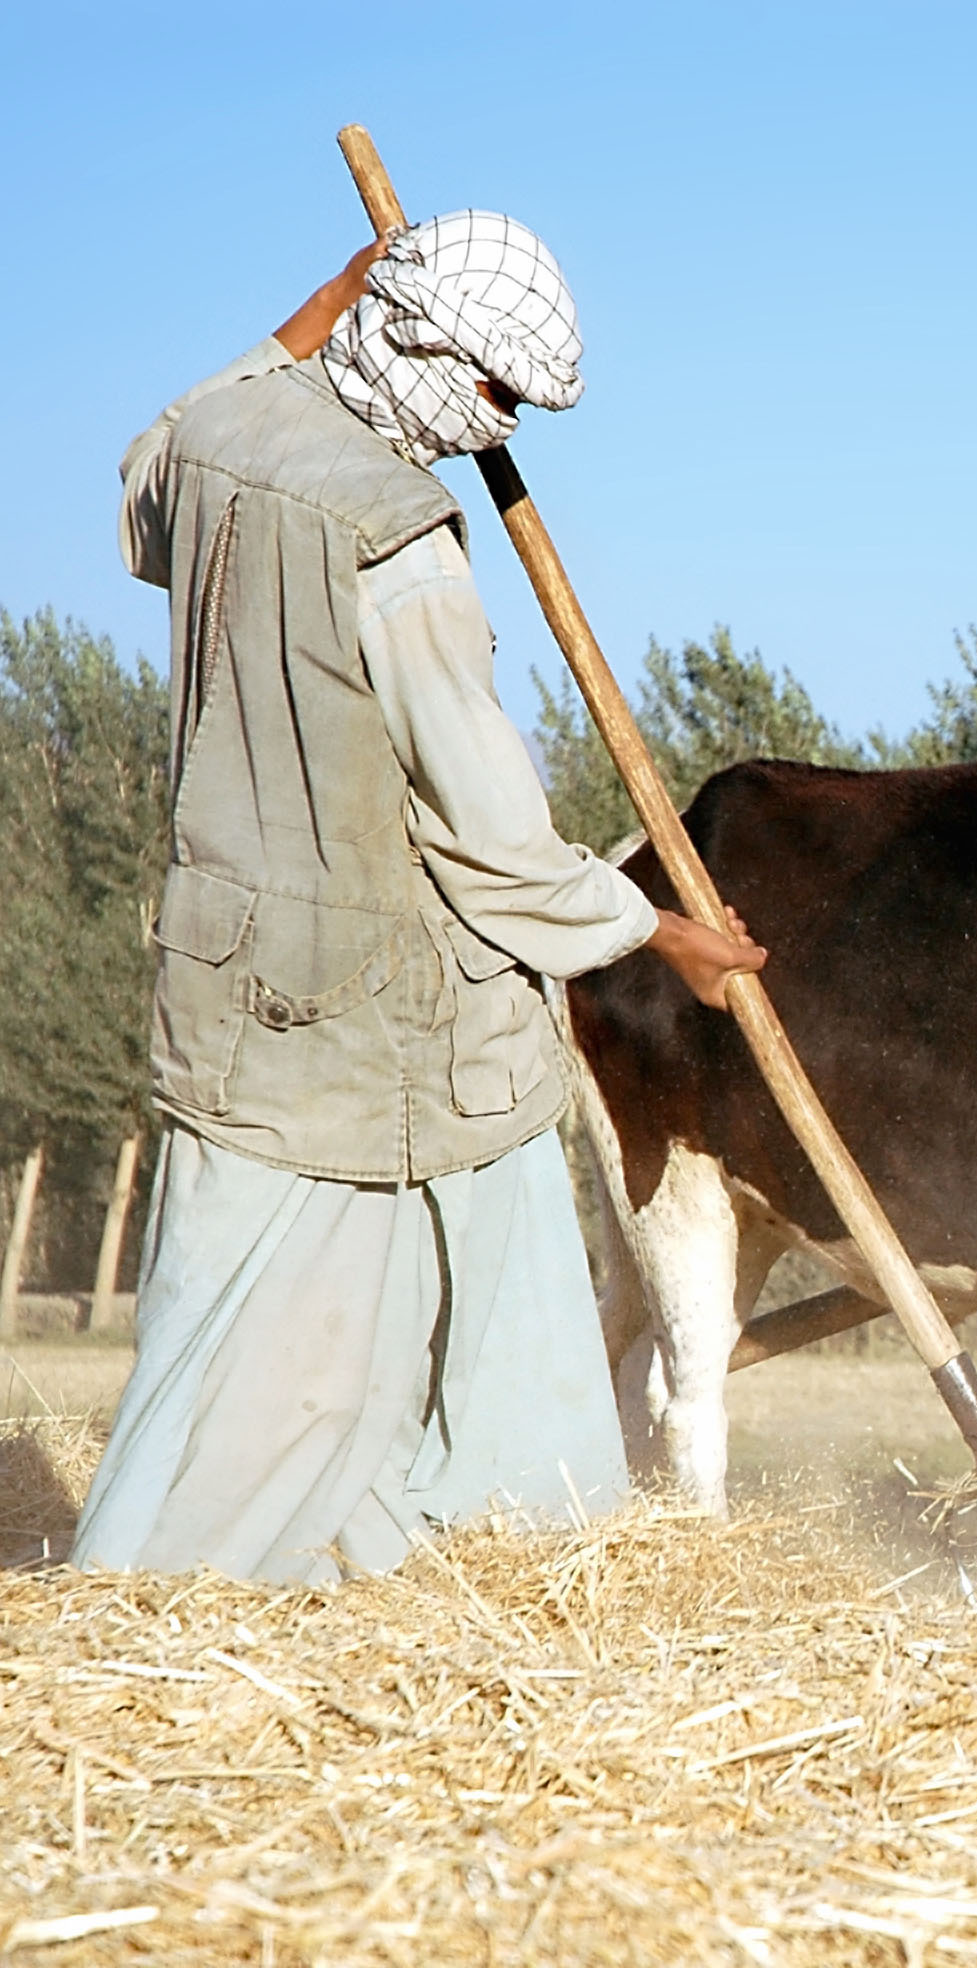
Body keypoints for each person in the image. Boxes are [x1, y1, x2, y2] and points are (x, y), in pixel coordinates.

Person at [70, 215, 766, 1586]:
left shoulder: (218, 443)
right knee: (492, 1310)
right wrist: (664, 931)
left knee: (223, 1326)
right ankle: (478, 1564)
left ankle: (193, 1576)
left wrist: (309, 314)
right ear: (420, 343)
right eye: (499, 390)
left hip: (228, 986)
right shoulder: (405, 544)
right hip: (388, 1014)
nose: (500, 423)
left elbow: (142, 482)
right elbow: (492, 840)